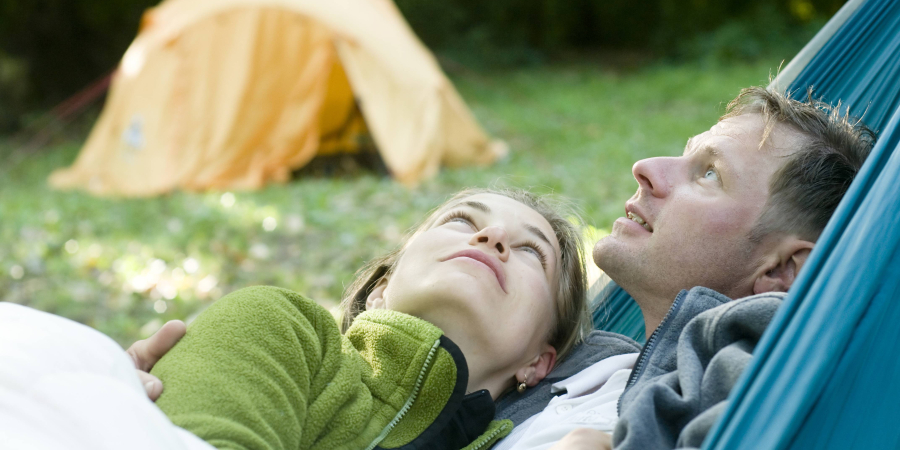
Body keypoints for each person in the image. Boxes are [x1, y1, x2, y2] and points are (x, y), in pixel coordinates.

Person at [134, 86, 875, 450]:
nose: (646, 169)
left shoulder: (773, 365)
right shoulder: (587, 371)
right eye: (462, 220)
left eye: (707, 174)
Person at [1, 188, 606, 450]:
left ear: (540, 361)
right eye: (459, 220)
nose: (492, 235)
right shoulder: (277, 327)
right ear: (382, 287)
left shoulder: (526, 440)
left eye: (531, 251)